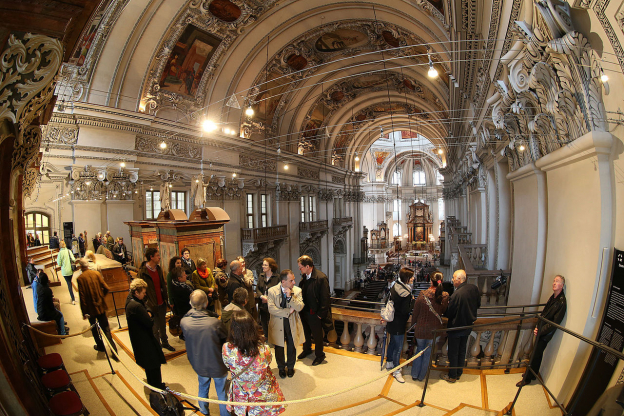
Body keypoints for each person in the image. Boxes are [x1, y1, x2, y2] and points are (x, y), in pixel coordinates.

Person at [222, 310, 285, 416]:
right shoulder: (264, 349)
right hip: (262, 393)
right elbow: (268, 361)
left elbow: (227, 364)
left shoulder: (227, 349)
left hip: (241, 394)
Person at [181, 290, 229, 416]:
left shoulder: (184, 322)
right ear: (206, 303)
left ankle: (203, 412)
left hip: (198, 362)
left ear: (191, 304)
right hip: (217, 363)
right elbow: (226, 339)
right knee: (222, 393)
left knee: (202, 387)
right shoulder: (215, 323)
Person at [516, 275, 567, 387]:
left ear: (562, 286)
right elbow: (544, 314)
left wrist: (540, 331)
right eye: (554, 281)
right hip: (541, 330)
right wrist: (538, 327)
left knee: (535, 354)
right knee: (537, 353)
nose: (554, 283)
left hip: (545, 334)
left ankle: (528, 378)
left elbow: (554, 323)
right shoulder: (553, 297)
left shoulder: (561, 302)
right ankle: (533, 374)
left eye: (557, 281)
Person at [125, 278, 166, 389]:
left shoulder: (131, 299)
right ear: (136, 292)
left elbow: (146, 306)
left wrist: (148, 312)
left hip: (139, 338)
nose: (145, 294)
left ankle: (152, 383)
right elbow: (149, 322)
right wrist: (150, 315)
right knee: (153, 363)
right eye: (143, 292)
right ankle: (157, 386)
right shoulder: (136, 306)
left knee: (149, 364)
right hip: (144, 339)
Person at [442, 269, 481, 383]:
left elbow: (449, 313)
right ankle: (459, 372)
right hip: (468, 325)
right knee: (462, 350)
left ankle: (452, 376)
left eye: (454, 278)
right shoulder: (473, 288)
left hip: (456, 326)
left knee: (453, 352)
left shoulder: (456, 294)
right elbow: (478, 304)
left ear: (459, 279)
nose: (452, 280)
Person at [76, 258, 118, 360]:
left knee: (94, 329)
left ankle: (100, 346)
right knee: (106, 329)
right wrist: (101, 298)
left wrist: (84, 312)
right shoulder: (96, 274)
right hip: (101, 307)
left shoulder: (80, 278)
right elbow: (107, 288)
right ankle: (114, 352)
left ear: (81, 266)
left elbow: (82, 297)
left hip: (91, 310)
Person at [410, 271, 449, 381]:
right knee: (428, 354)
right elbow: (443, 310)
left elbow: (415, 312)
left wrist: (413, 324)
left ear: (430, 281)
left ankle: (414, 374)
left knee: (419, 351)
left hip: (421, 329)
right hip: (435, 330)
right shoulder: (445, 296)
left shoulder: (422, 295)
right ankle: (422, 376)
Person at [267, 269, 304, 378]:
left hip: (291, 323)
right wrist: (288, 311)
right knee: (279, 346)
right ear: (283, 282)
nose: (294, 283)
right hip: (277, 324)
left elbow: (299, 307)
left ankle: (291, 367)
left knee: (292, 345)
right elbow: (271, 309)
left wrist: (290, 297)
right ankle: (281, 368)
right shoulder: (272, 291)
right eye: (291, 280)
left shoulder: (297, 291)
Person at [297, 254, 331, 366]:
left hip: (315, 314)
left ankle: (319, 355)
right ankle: (307, 350)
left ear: (307, 266)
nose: (299, 269)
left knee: (317, 336)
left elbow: (325, 298)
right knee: (305, 333)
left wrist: (320, 315)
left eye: (300, 267)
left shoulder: (321, 278)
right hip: (304, 312)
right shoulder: (305, 276)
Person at [138, 247, 174, 351]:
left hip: (161, 302)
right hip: (151, 305)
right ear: (151, 257)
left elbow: (162, 285)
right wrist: (146, 304)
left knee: (163, 325)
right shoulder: (143, 271)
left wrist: (167, 300)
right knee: (155, 328)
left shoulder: (158, 268)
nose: (159, 257)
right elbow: (140, 289)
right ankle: (157, 348)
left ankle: (165, 343)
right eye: (157, 255)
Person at [382, 267, 414, 383]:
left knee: (392, 343)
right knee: (398, 348)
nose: (413, 278)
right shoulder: (406, 293)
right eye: (412, 276)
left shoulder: (395, 286)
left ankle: (389, 362)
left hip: (391, 321)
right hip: (399, 323)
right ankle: (396, 371)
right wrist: (413, 302)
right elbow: (405, 311)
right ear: (407, 278)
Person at [257, 258, 280, 338]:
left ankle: (274, 339)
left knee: (273, 323)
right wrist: (261, 296)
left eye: (265, 265)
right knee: (264, 322)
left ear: (271, 266)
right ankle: (267, 338)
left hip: (273, 304)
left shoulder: (277, 277)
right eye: (263, 264)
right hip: (262, 304)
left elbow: (278, 291)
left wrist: (268, 299)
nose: (263, 266)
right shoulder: (261, 276)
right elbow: (258, 289)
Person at [236, 256, 257, 320]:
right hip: (240, 299)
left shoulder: (249, 272)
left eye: (243, 262)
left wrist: (244, 274)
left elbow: (249, 284)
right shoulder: (236, 273)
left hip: (249, 298)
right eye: (241, 262)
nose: (243, 264)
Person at [56, 241, 76, 305]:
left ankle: (73, 299)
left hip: (64, 271)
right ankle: (72, 297)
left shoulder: (60, 253)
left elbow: (59, 263)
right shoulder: (69, 251)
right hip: (70, 270)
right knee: (70, 282)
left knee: (69, 284)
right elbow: (74, 259)